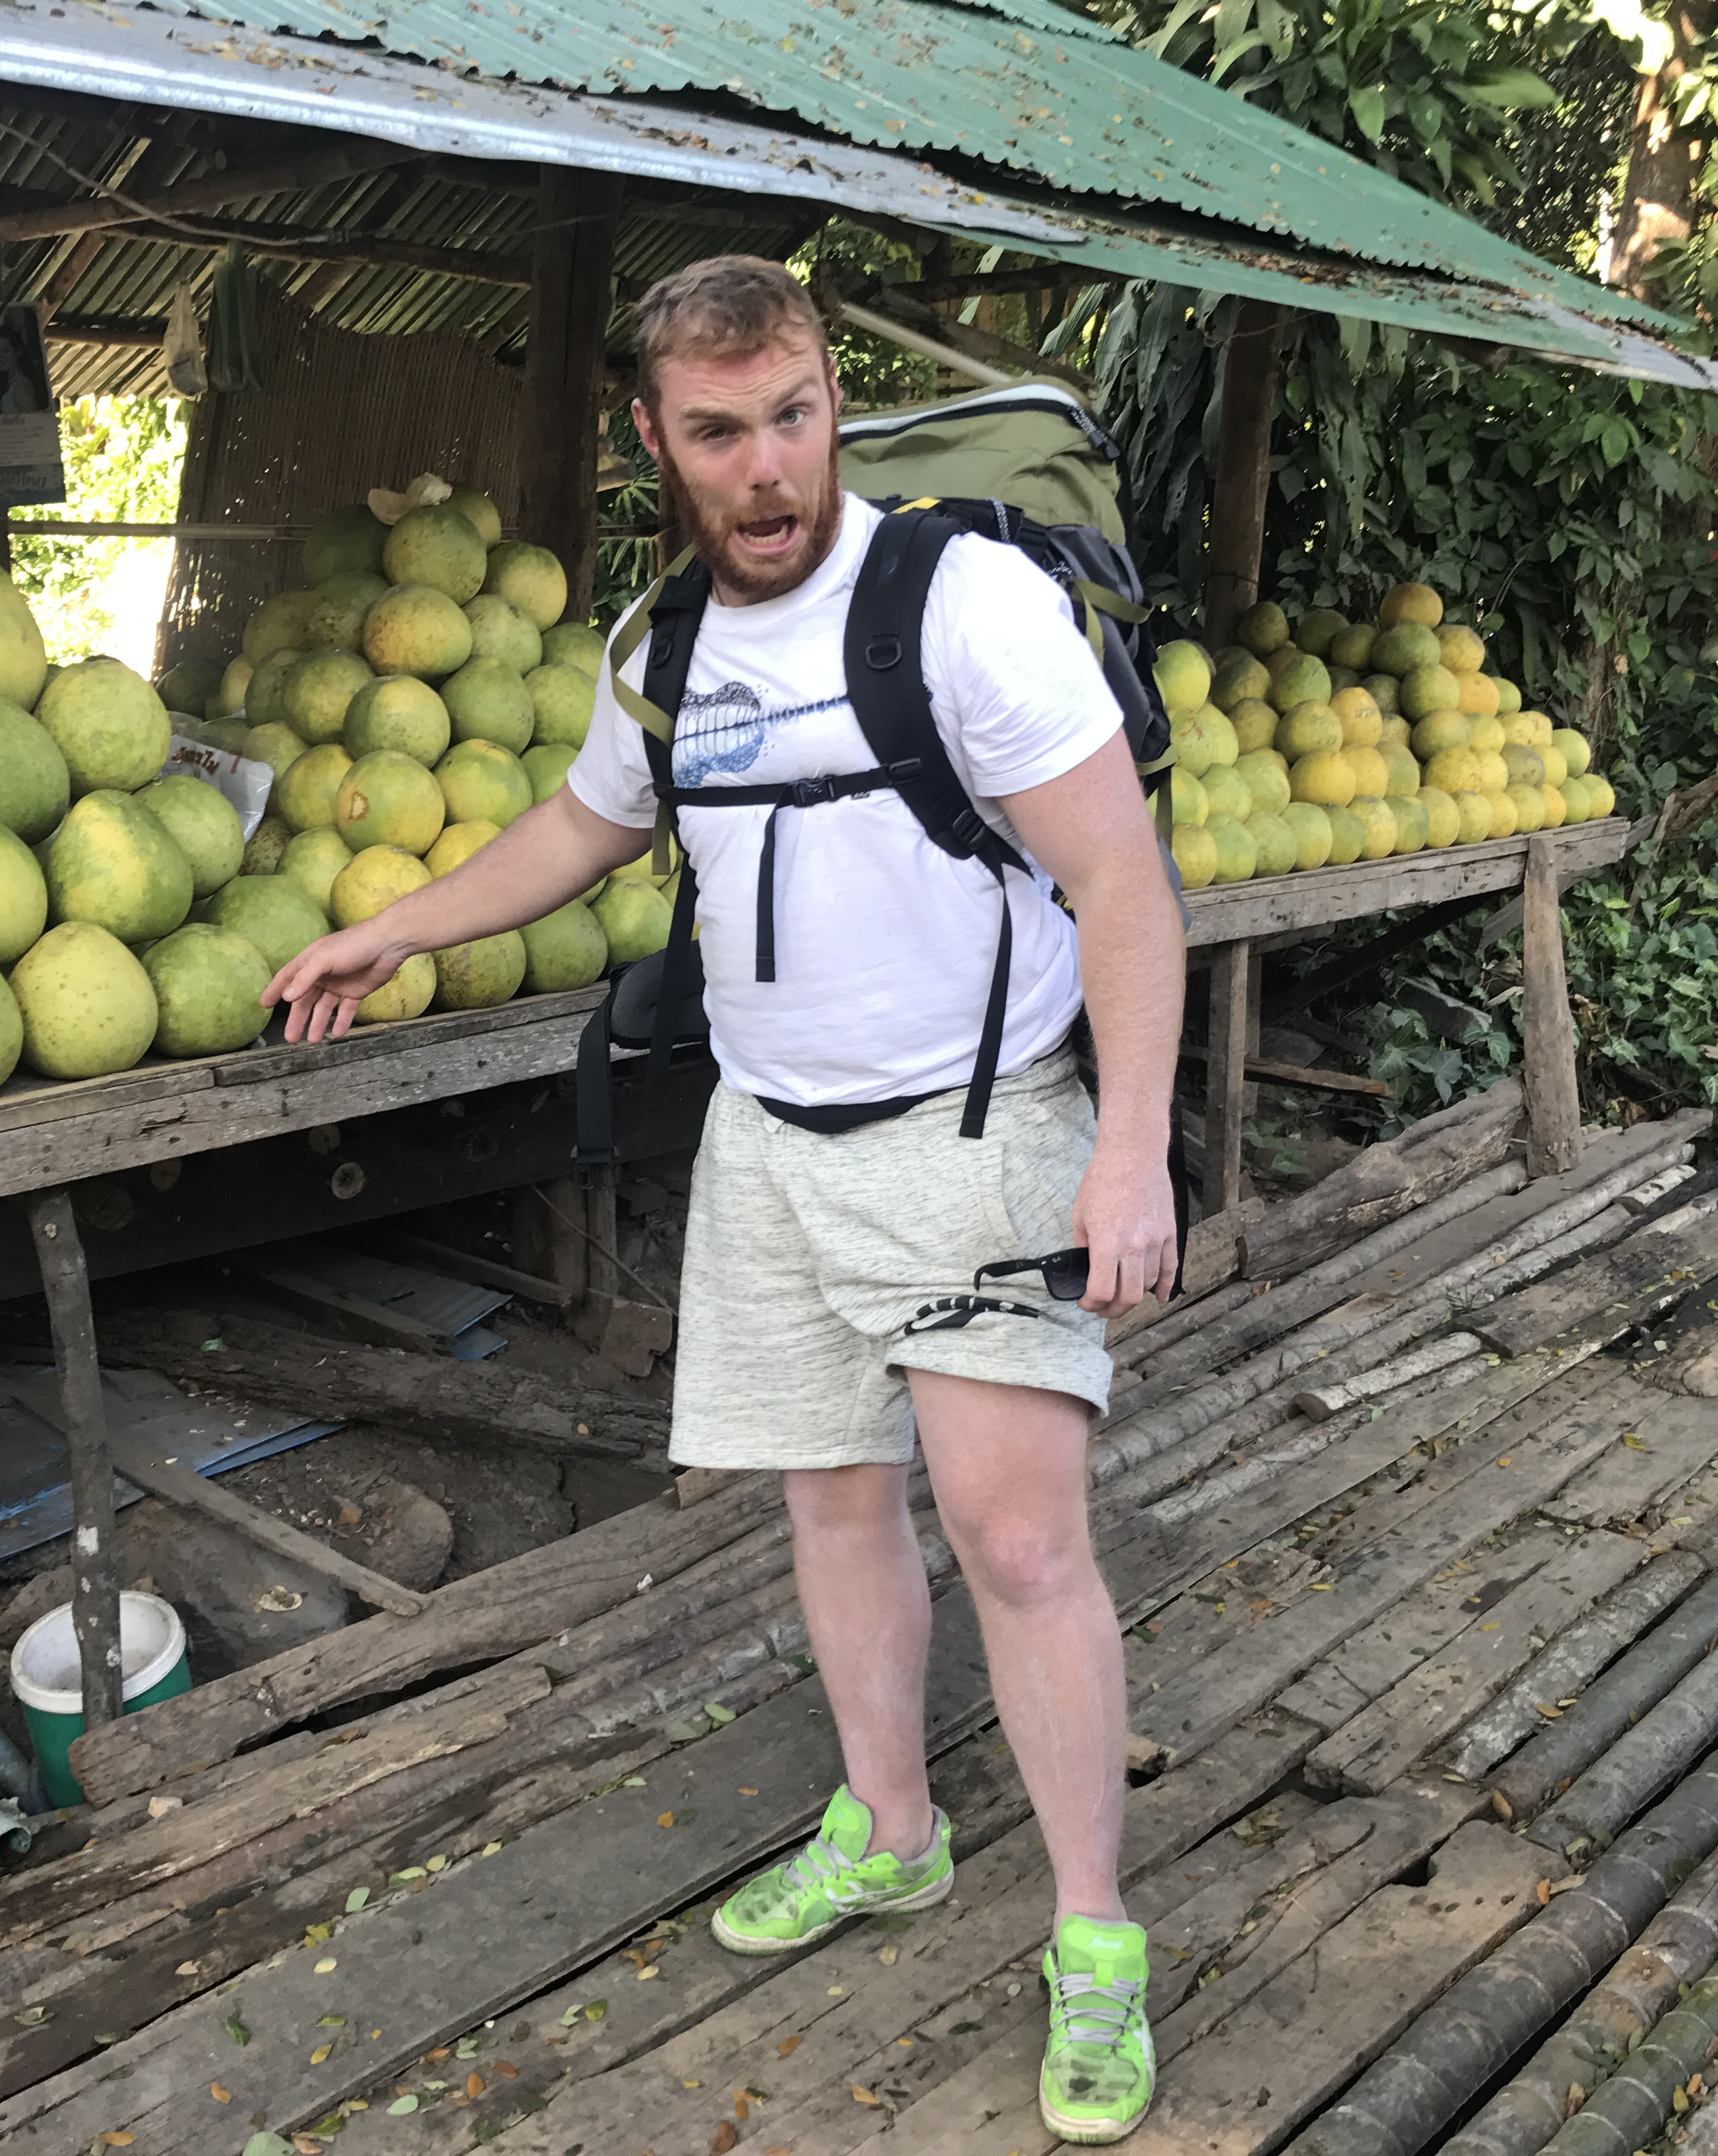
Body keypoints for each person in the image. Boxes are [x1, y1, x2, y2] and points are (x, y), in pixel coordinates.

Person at [269, 256, 1184, 2142]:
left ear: (833, 400)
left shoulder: (965, 603)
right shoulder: (663, 644)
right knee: (833, 1507)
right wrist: (394, 926)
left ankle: (1096, 1935)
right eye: (718, 432)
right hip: (765, 1140)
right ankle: (896, 1831)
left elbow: (1124, 882)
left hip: (973, 1127)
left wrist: (1130, 1145)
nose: (765, 467)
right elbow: (579, 828)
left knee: (1020, 1550)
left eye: (792, 416)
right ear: (656, 442)